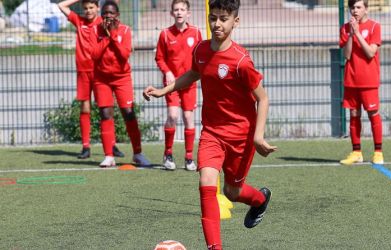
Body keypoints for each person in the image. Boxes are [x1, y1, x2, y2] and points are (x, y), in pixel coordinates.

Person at [144, 0, 277, 248]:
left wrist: (258, 136)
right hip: (212, 133)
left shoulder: (241, 61)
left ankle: (260, 200)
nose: (217, 23)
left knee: (232, 193)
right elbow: (194, 73)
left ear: (235, 22)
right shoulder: (201, 50)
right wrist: (164, 90)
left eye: (223, 18)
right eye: (213, 17)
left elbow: (263, 98)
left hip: (240, 136)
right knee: (206, 184)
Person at [58, 0, 124, 159]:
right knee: (85, 108)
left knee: (107, 109)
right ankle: (86, 147)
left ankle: (112, 145)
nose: (88, 10)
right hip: (83, 71)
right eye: (85, 8)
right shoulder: (78, 21)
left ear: (97, 8)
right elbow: (61, 6)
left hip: (100, 71)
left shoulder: (103, 21)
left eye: (91, 7)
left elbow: (115, 14)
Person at [90, 0, 151, 167]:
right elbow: (94, 55)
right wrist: (106, 37)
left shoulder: (125, 30)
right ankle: (109, 155)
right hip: (101, 79)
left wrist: (114, 35)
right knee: (105, 113)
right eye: (105, 13)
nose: (108, 16)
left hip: (122, 78)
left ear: (117, 15)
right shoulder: (95, 30)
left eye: (111, 13)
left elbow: (124, 54)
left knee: (128, 113)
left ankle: (137, 153)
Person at [155, 0, 202, 171]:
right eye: (176, 9)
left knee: (189, 118)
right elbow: (159, 58)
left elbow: (200, 55)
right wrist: (167, 72)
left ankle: (189, 157)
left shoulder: (196, 32)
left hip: (189, 83)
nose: (179, 12)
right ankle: (168, 154)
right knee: (173, 116)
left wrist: (201, 71)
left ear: (188, 13)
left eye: (183, 9)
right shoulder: (165, 34)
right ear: (171, 13)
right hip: (172, 84)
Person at [339, 0, 384, 165]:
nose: (354, 10)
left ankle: (378, 152)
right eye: (352, 7)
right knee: (353, 115)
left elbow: (371, 52)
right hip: (351, 81)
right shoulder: (345, 28)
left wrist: (358, 33)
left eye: (358, 7)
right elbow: (347, 55)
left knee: (373, 115)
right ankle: (356, 151)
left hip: (369, 81)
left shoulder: (374, 27)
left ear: (366, 9)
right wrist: (351, 33)